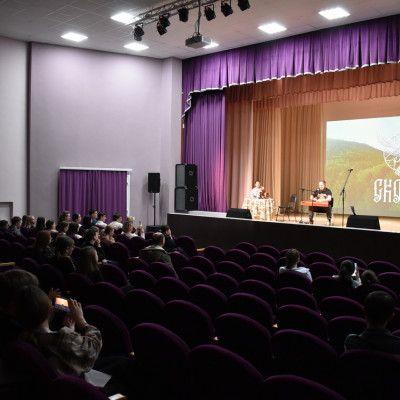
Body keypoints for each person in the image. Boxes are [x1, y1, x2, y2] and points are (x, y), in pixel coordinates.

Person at [12, 285, 136, 397]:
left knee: (122, 361)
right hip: (80, 387)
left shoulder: (23, 337)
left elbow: (59, 348)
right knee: (124, 382)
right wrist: (81, 321)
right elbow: (94, 347)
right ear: (47, 311)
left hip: (64, 378)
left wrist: (70, 330)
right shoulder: (63, 338)